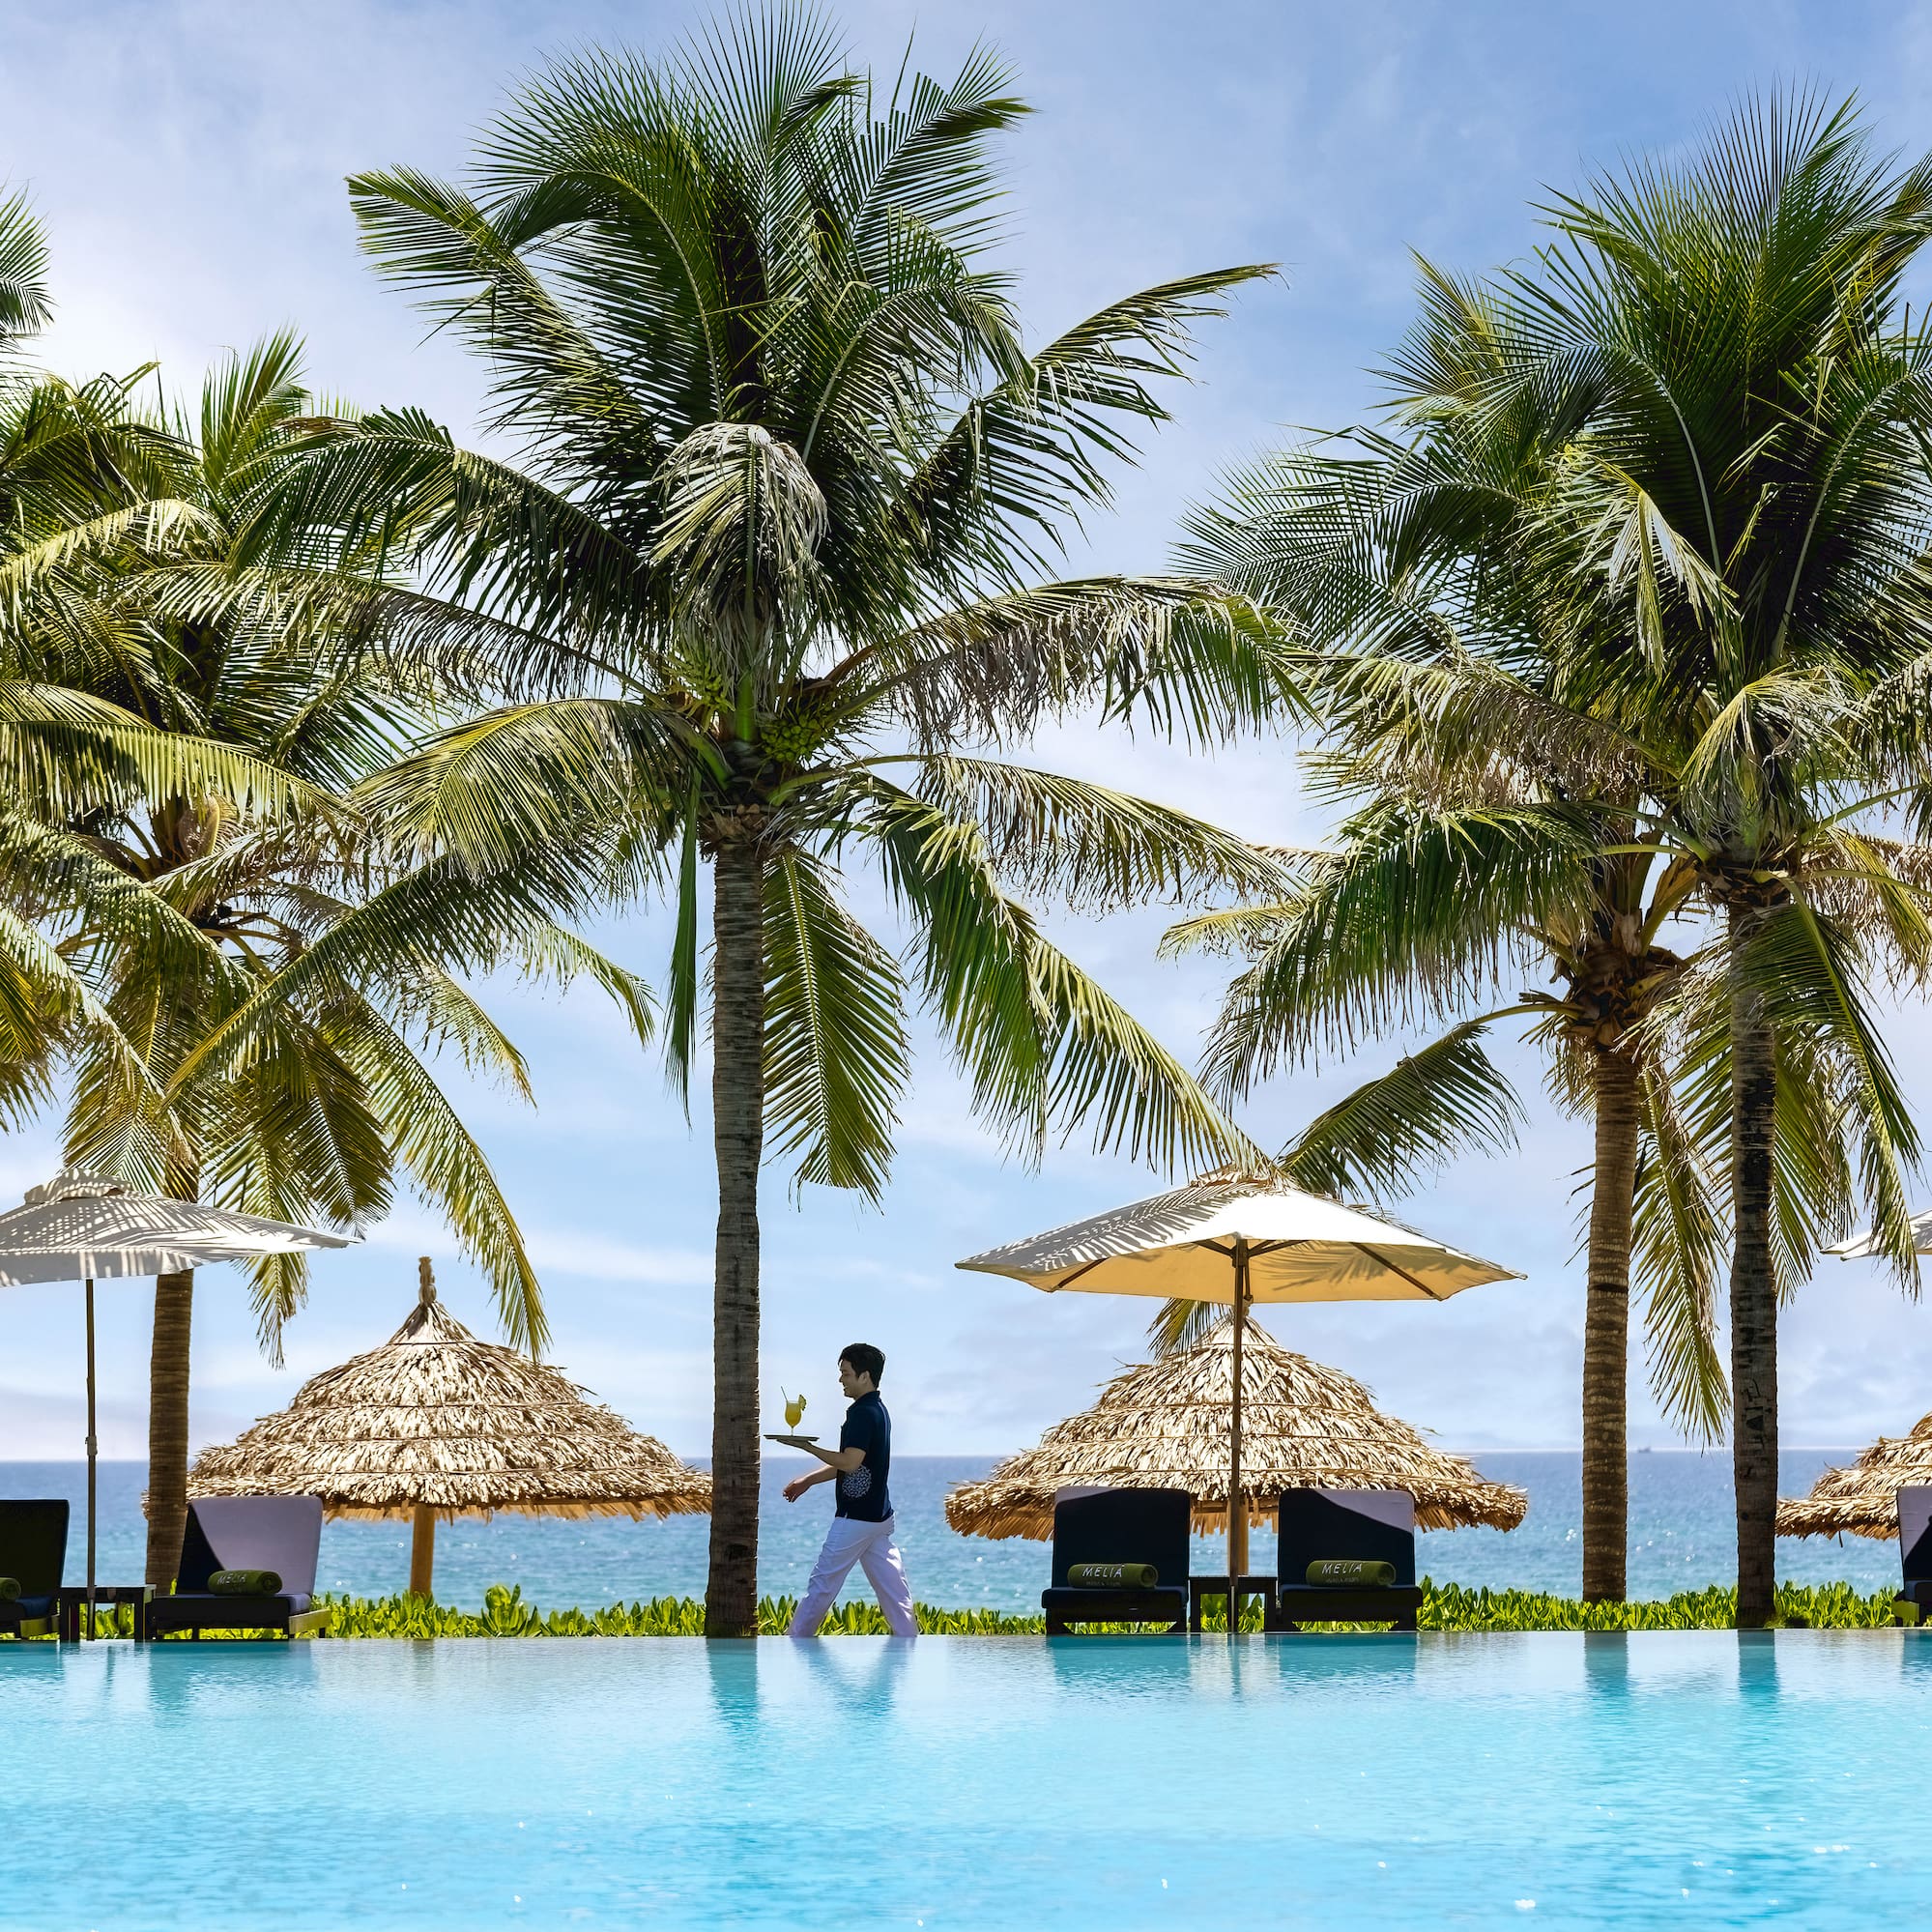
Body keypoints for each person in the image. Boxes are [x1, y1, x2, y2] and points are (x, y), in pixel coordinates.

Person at [783, 1342, 917, 1637]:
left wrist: (807, 1447)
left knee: (822, 1585)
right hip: (878, 1517)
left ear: (864, 1376)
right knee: (895, 1592)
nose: (841, 1380)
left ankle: (794, 1643)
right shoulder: (878, 1410)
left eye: (845, 1373)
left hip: (855, 1520)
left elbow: (850, 1462)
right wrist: (808, 1480)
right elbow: (852, 1464)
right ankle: (909, 1645)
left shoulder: (862, 1414)